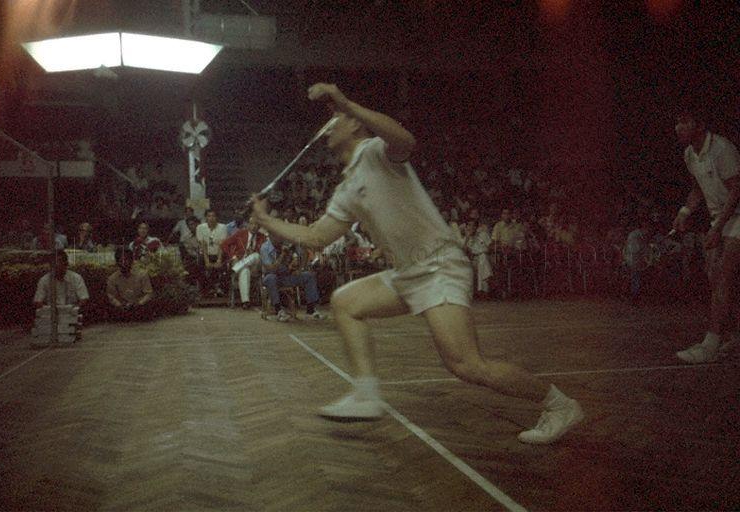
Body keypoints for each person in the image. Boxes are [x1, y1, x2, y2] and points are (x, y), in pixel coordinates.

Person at [250, 83, 584, 444]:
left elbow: (405, 140)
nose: (328, 127)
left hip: (439, 265)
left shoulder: (377, 152)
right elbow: (317, 237)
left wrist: (347, 102)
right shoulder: (346, 188)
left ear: (356, 124)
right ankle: (366, 395)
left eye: (336, 119)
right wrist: (266, 220)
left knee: (467, 366)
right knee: (345, 302)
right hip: (408, 273)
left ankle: (560, 406)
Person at [672, 106, 740, 363]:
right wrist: (685, 211)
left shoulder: (722, 149)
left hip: (737, 216)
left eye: (684, 121)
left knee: (722, 277)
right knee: (716, 278)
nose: (678, 127)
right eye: (677, 122)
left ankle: (710, 344)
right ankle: (734, 335)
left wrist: (717, 228)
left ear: (700, 125)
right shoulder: (689, 154)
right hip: (719, 219)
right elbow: (697, 188)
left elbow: (736, 191)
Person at [259, 235, 326, 322]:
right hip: (270, 277)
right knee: (271, 278)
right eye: (277, 235)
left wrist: (298, 267)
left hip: (287, 276)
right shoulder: (265, 247)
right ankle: (278, 310)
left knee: (309, 276)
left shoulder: (287, 244)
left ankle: (311, 309)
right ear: (271, 236)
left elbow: (303, 257)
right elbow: (271, 269)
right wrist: (283, 255)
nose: (280, 238)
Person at [221, 219, 266, 309]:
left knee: (256, 255)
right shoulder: (240, 234)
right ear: (248, 225)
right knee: (245, 271)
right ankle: (245, 302)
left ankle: (235, 269)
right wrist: (233, 257)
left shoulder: (262, 237)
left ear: (259, 227)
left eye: (256, 224)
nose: (254, 226)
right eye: (252, 224)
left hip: (255, 266)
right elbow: (224, 244)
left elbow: (264, 253)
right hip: (243, 265)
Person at [106, 246, 154, 321]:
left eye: (126, 260)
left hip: (139, 307)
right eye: (121, 260)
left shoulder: (142, 275)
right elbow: (111, 296)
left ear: (131, 260)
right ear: (117, 262)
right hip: (122, 308)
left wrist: (139, 303)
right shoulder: (112, 278)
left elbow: (149, 293)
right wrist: (120, 305)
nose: (123, 263)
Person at [196, 209, 229, 296]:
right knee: (201, 264)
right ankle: (206, 289)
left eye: (213, 216)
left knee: (224, 265)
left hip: (219, 253)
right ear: (206, 218)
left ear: (217, 217)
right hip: (205, 254)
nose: (211, 218)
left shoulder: (223, 227)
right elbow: (203, 245)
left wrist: (219, 260)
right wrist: (207, 261)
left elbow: (222, 244)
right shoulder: (200, 228)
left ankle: (220, 289)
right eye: (209, 216)